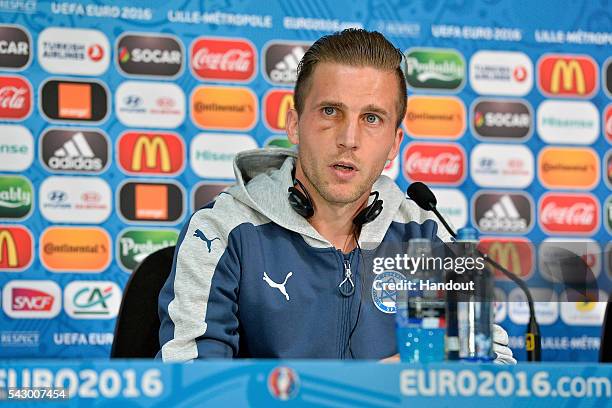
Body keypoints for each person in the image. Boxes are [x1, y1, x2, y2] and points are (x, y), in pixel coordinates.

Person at [157, 28, 515, 364]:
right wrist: (366, 391)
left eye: (372, 118)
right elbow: (192, 383)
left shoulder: (424, 238)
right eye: (330, 111)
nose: (349, 138)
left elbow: (492, 371)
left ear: (394, 144)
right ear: (295, 124)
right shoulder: (223, 231)